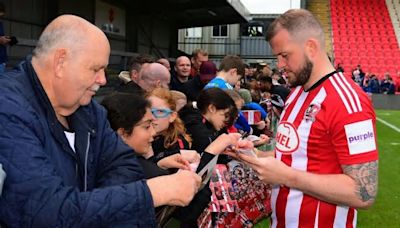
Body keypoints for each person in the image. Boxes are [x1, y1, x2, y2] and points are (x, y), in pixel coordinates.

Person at [0, 15, 202, 226]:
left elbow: (125, 166)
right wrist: (151, 193)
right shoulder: (7, 109)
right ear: (60, 62)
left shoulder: (89, 111)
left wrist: (88, 209)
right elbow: (44, 210)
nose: (103, 80)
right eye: (95, 69)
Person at [237, 9, 378, 227]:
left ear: (310, 47)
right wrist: (252, 154)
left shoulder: (348, 102)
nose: (280, 65)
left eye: (284, 55)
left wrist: (286, 177)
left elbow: (364, 193)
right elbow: (296, 155)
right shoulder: (296, 94)